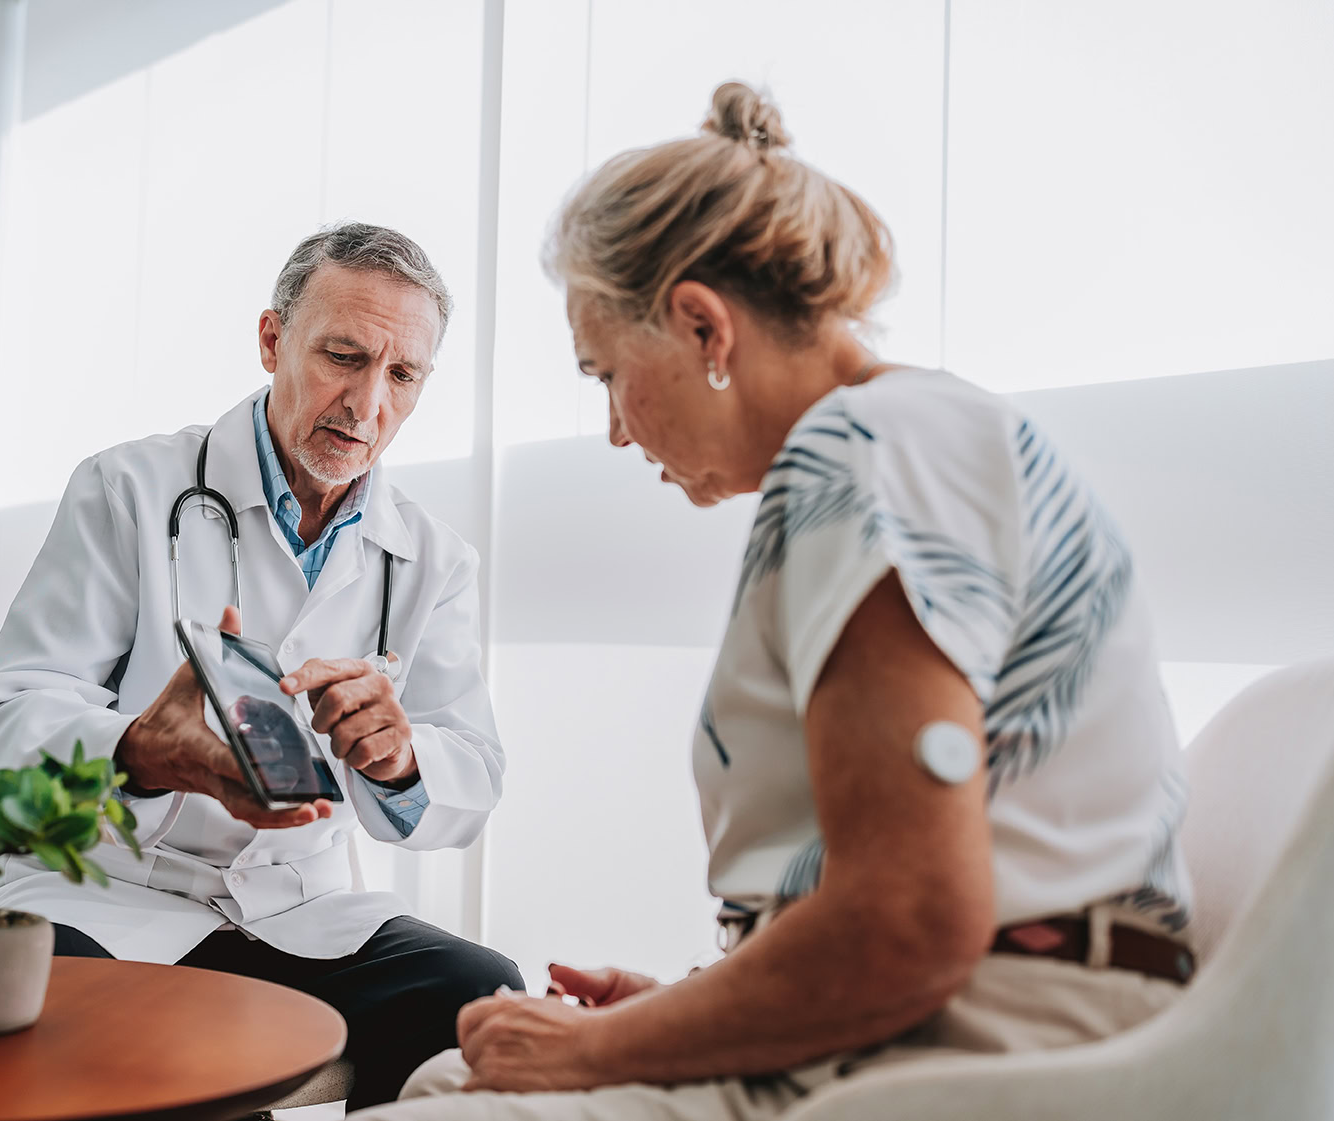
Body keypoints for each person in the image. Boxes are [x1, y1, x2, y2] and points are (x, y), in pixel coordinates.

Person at [354, 82, 1194, 1120]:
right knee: (452, 1066)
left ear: (703, 327)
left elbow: (906, 922)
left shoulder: (861, 454)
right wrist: (688, 1010)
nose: (616, 428)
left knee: (451, 1087)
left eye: (607, 372)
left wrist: (609, 1043)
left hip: (987, 1049)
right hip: (965, 1009)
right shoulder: (920, 431)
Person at [0, 222, 522, 1110]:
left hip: (297, 908)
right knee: (148, 1045)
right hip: (110, 894)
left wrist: (400, 757)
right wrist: (139, 749)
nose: (367, 403)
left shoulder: (431, 558)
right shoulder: (129, 489)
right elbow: (0, 718)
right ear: (272, 340)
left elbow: (475, 775)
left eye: (402, 374)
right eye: (343, 355)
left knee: (481, 1004)